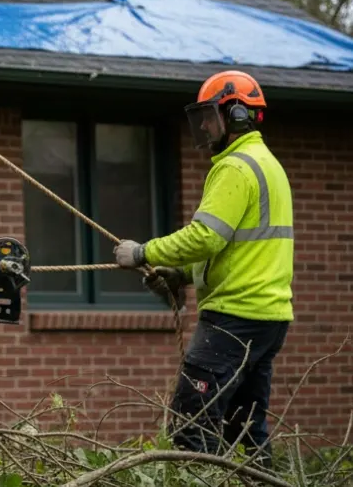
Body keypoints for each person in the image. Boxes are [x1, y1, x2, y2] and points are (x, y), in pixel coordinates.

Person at [115, 70, 294, 467]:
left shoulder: (235, 167)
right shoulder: (268, 165)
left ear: (236, 116)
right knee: (244, 430)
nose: (204, 126)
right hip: (267, 318)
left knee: (190, 422)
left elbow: (205, 237)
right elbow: (234, 246)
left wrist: (143, 252)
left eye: (210, 115)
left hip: (233, 317)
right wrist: (183, 275)